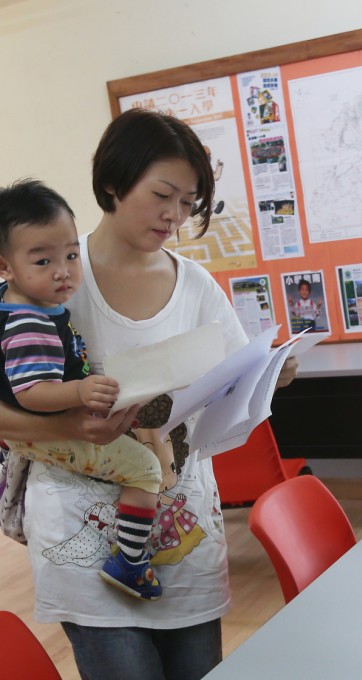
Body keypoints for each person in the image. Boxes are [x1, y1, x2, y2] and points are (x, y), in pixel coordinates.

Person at [7, 108, 298, 680]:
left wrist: (268, 374)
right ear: (114, 183)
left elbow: (231, 384)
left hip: (185, 535)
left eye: (189, 202)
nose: (175, 216)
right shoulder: (48, 275)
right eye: (163, 195)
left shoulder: (196, 285)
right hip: (80, 537)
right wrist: (68, 426)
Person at [0, 179, 177, 602]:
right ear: (5, 266)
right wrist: (79, 392)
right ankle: (130, 561)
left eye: (71, 255)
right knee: (145, 469)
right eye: (43, 261)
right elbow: (31, 393)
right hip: (45, 431)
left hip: (38, 427)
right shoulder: (30, 323)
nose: (63, 270)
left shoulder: (16, 299)